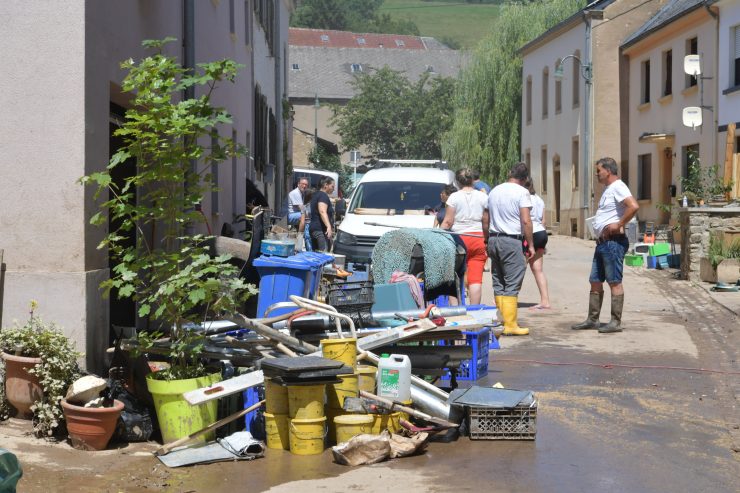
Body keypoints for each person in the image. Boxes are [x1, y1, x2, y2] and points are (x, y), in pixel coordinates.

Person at [572, 157, 639, 333]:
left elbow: (633, 206)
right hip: (602, 243)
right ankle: (592, 319)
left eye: (598, 170)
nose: (596, 174)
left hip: (613, 243)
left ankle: (615, 322)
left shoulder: (618, 186)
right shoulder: (609, 189)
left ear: (608, 171)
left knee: (614, 281)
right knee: (595, 280)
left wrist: (620, 224)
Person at [483, 162, 534, 336]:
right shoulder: (522, 192)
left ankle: (501, 321)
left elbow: (485, 218)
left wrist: (486, 240)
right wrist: (531, 245)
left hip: (494, 239)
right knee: (512, 282)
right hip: (512, 241)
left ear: (509, 173)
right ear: (525, 178)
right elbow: (526, 221)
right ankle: (511, 325)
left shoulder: (495, 190)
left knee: (498, 281)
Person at [441, 169, 489, 305]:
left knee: (453, 276)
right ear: (473, 180)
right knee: (475, 279)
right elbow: (486, 221)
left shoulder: (454, 197)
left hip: (459, 239)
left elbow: (448, 222)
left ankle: (456, 311)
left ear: (457, 182)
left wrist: (436, 235)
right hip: (478, 238)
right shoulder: (483, 197)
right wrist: (487, 239)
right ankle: (474, 312)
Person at [523, 178, 551, 310]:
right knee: (538, 270)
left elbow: (524, 220)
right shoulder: (539, 199)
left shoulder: (524, 198)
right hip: (541, 233)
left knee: (519, 268)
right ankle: (545, 300)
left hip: (530, 234)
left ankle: (508, 298)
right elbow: (544, 221)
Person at [309, 176, 335, 251]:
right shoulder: (323, 195)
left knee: (316, 256)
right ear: (326, 185)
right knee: (324, 255)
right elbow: (322, 211)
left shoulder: (315, 195)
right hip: (320, 230)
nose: (333, 189)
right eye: (332, 186)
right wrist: (328, 227)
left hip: (314, 229)